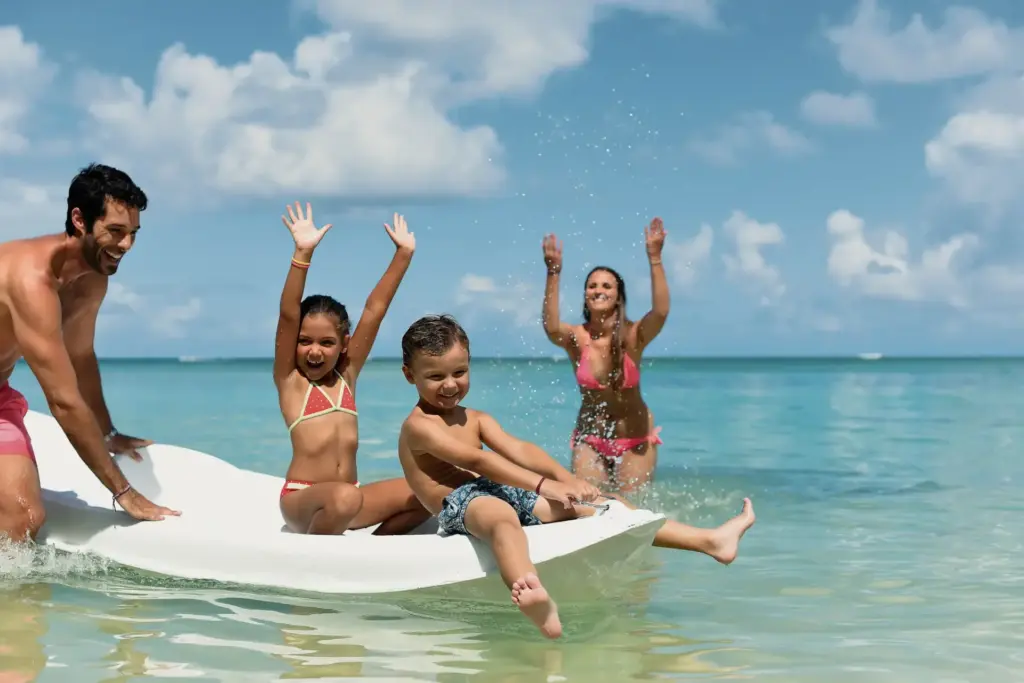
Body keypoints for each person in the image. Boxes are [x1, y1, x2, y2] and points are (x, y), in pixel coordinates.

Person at [397, 314, 755, 639]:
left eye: (459, 373)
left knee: (602, 505)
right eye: (435, 376)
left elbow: (519, 449)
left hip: (494, 490)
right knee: (501, 519)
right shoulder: (418, 427)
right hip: (458, 503)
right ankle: (532, 593)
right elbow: (479, 459)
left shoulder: (475, 417)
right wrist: (543, 485)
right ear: (410, 375)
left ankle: (710, 541)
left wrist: (564, 479)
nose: (449, 385)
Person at [0, 163, 180, 543]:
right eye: (115, 231)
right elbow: (63, 402)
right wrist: (124, 493)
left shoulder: (93, 277)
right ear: (80, 220)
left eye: (132, 234)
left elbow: (80, 356)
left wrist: (107, 431)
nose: (126, 245)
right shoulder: (29, 279)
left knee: (26, 519)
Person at [273, 201, 430, 536]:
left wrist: (404, 254)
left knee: (426, 491)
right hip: (302, 500)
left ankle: (376, 548)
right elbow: (288, 315)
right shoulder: (290, 381)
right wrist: (302, 254)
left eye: (326, 343)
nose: (314, 351)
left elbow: (375, 310)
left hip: (349, 498)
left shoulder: (347, 375)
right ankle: (316, 559)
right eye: (304, 341)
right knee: (344, 498)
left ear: (344, 344)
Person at [541, 217, 669, 494]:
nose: (598, 290)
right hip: (590, 440)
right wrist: (553, 273)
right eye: (592, 286)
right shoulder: (577, 338)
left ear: (619, 297)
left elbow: (660, 313)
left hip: (635, 441)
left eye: (607, 286)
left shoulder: (634, 336)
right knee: (588, 505)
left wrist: (655, 259)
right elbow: (551, 328)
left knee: (631, 513)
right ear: (585, 295)